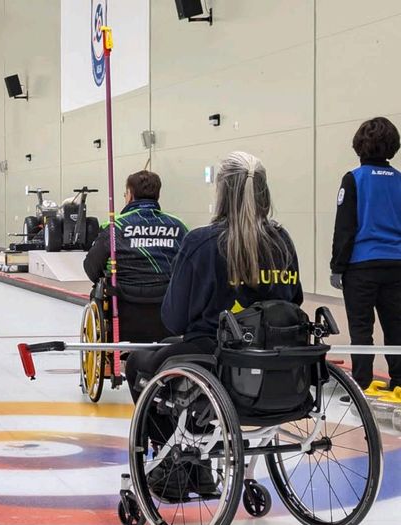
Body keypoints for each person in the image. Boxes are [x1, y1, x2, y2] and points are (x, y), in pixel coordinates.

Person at [126, 152, 303, 497]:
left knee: (139, 365)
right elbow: (293, 302)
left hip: (217, 357)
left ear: (221, 192)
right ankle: (198, 468)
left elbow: (173, 318)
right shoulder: (283, 242)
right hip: (277, 362)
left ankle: (177, 463)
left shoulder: (202, 242)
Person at [330, 117, 401, 393]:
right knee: (396, 327)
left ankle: (361, 385)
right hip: (396, 265)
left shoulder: (354, 179)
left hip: (362, 267)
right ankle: (398, 382)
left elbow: (345, 227)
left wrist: (337, 267)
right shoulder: (399, 181)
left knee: (362, 330)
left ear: (359, 146)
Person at [83, 170, 187, 342]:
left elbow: (91, 268)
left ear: (130, 195)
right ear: (158, 194)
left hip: (123, 310)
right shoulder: (178, 226)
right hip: (167, 315)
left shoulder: (115, 226)